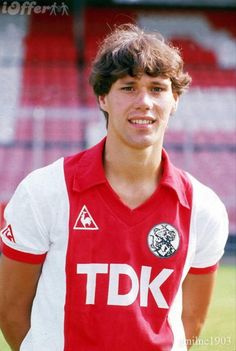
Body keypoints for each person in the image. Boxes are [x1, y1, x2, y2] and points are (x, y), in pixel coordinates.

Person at [0, 23, 228, 351]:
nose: (144, 102)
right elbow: (11, 312)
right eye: (128, 87)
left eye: (157, 88)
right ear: (103, 97)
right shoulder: (45, 192)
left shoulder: (204, 208)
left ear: (175, 99)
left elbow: (190, 321)